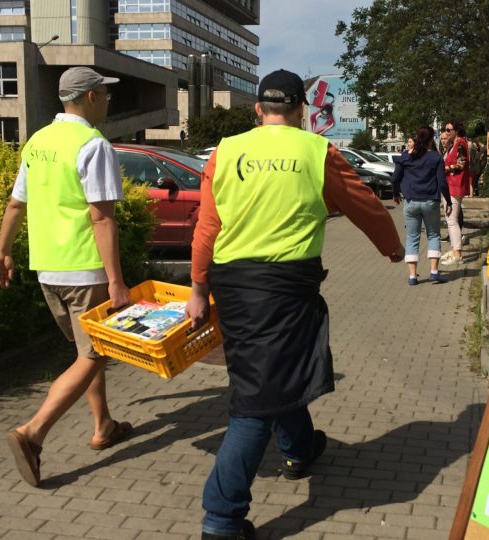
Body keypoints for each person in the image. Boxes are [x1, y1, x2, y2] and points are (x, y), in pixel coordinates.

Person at [184, 69, 404, 540]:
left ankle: (300, 450)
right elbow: (362, 202)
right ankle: (221, 520)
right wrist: (392, 247)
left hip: (234, 286)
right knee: (253, 404)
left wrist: (199, 288)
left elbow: (207, 226)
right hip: (284, 287)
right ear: (302, 111)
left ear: (258, 110)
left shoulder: (225, 152)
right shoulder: (315, 150)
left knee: (269, 374)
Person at [0, 66, 133, 488]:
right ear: (90, 97)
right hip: (84, 268)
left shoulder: (38, 142)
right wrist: (116, 281)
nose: (109, 100)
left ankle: (103, 425)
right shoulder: (93, 144)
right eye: (106, 93)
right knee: (94, 354)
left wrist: (2, 251)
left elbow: (17, 204)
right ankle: (32, 434)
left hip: (47, 269)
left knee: (88, 353)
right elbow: (101, 218)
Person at [392, 126, 451, 285]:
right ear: (432, 139)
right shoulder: (436, 158)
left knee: (412, 237)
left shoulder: (406, 156)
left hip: (411, 201)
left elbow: (395, 178)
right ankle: (433, 272)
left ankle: (412, 276)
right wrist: (448, 201)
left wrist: (396, 193)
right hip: (431, 201)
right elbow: (442, 182)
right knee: (433, 235)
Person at [441, 119, 472, 264]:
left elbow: (461, 164)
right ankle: (454, 250)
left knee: (452, 220)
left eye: (448, 130)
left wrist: (444, 169)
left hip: (455, 185)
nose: (446, 133)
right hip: (451, 185)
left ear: (456, 130)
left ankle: (457, 254)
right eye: (445, 129)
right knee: (450, 219)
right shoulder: (455, 144)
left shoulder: (460, 144)